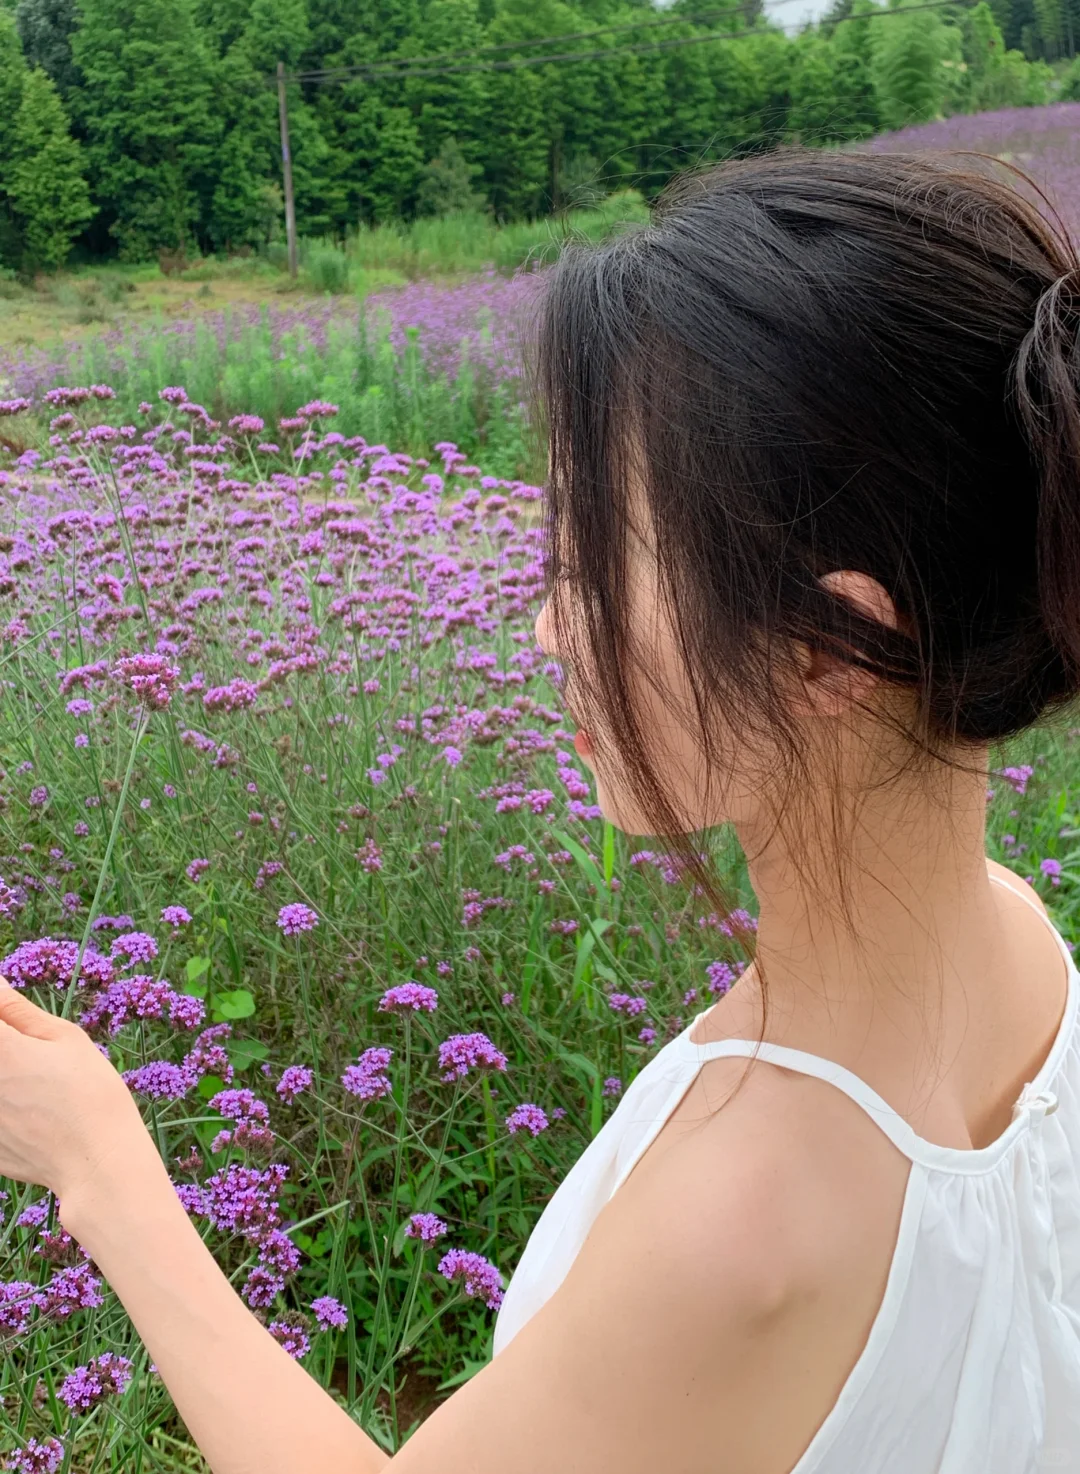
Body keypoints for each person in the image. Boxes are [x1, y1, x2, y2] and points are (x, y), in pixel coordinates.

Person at [0, 146, 1079, 1474]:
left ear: (830, 650)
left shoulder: (748, 1222)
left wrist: (103, 1166)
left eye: (592, 568)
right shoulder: (1026, 950)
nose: (543, 628)